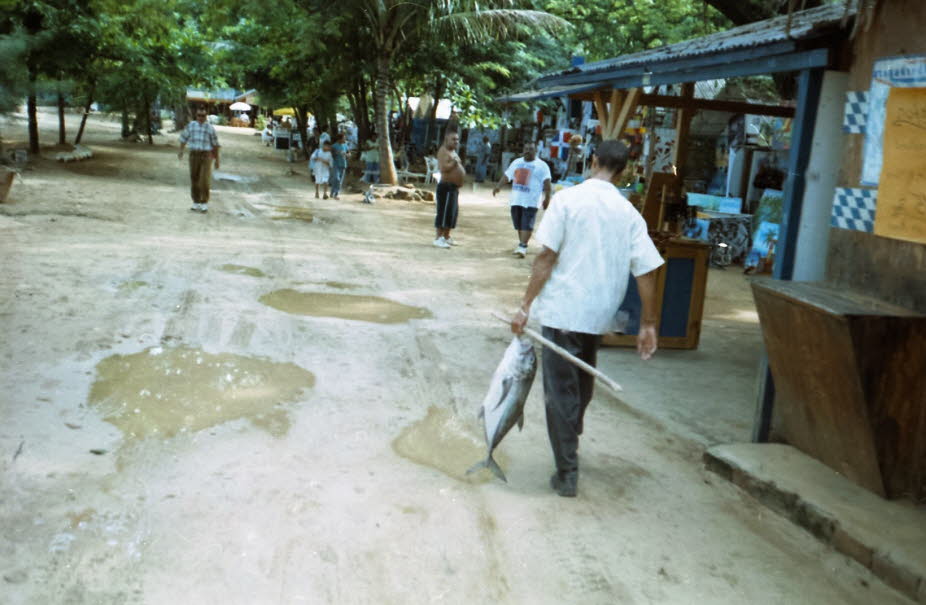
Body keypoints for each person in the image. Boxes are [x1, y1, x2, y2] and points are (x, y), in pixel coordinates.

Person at [510, 139, 664, 498]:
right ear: (624, 170)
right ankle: (569, 443)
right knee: (580, 385)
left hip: (564, 310)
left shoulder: (567, 199)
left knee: (561, 392)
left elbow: (545, 258)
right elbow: (647, 273)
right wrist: (649, 324)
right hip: (598, 315)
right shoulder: (628, 213)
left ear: (593, 160)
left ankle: (567, 470)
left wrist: (525, 306)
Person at [492, 141, 551, 258]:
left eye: (531, 149)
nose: (528, 151)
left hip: (531, 201)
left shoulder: (542, 165)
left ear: (536, 151)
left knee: (527, 224)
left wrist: (547, 198)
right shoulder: (516, 162)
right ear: (523, 150)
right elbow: (507, 176)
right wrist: (498, 186)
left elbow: (547, 183)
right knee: (519, 224)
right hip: (516, 199)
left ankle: (523, 245)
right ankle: (522, 244)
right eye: (526, 148)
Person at [177, 106, 220, 213]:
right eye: (199, 115)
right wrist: (181, 150)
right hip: (194, 154)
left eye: (203, 116)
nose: (201, 118)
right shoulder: (191, 126)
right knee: (194, 178)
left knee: (204, 179)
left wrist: (217, 160)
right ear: (196, 116)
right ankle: (196, 202)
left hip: (206, 155)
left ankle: (204, 202)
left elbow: (215, 145)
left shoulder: (210, 128)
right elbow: (183, 138)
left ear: (206, 116)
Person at [434, 130, 465, 248]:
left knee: (452, 213)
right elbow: (443, 168)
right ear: (446, 140)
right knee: (444, 213)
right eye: (453, 139)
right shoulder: (443, 151)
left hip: (453, 188)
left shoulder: (453, 152)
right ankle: (438, 238)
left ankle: (446, 236)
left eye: (457, 139)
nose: (456, 141)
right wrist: (454, 163)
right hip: (446, 187)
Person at [329, 133, 348, 200]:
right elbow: (331, 154)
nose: (345, 139)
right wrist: (337, 153)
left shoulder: (345, 145)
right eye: (344, 138)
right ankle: (332, 192)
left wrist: (347, 155)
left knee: (340, 181)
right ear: (340, 139)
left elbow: (348, 152)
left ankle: (336, 194)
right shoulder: (334, 146)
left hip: (343, 164)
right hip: (336, 164)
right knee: (336, 179)